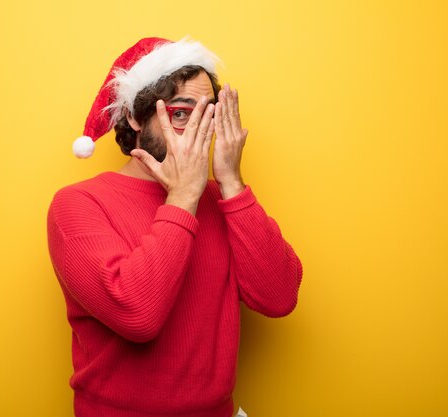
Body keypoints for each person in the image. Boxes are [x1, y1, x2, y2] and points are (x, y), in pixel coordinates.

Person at [47, 36, 303, 417]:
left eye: (208, 116)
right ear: (134, 117)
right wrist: (184, 196)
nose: (198, 131)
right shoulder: (78, 204)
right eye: (182, 114)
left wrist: (231, 182)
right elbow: (137, 315)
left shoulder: (222, 199)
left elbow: (279, 297)